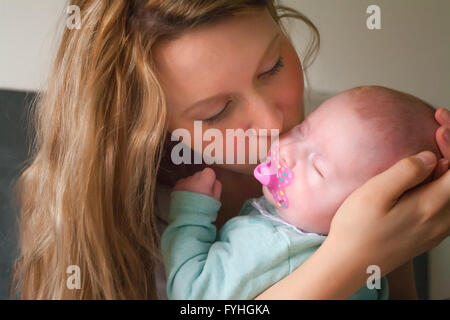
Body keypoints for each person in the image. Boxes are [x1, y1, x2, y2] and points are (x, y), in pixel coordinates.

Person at [10, 0, 450, 300]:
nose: (273, 123)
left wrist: (414, 186)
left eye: (272, 67)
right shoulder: (115, 220)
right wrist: (350, 259)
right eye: (217, 110)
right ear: (144, 124)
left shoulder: (342, 135)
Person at [160, 86, 441, 300]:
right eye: (302, 131)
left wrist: (191, 213)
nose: (288, 151)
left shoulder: (273, 247)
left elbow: (192, 293)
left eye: (318, 168)